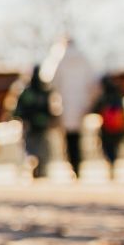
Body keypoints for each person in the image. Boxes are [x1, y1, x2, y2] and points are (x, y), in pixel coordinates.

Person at [42, 35, 98, 178]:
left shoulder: (57, 58)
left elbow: (50, 82)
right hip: (81, 103)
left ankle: (72, 164)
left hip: (64, 103)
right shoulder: (84, 58)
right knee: (78, 136)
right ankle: (78, 163)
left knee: (68, 137)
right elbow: (92, 82)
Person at [10, 65, 54, 178]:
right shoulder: (44, 91)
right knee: (41, 147)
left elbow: (18, 109)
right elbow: (49, 108)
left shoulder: (26, 91)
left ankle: (33, 163)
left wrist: (20, 118)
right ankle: (39, 166)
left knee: (30, 147)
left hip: (30, 124)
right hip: (41, 124)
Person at [95, 74, 124, 178]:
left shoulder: (104, 96)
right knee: (115, 146)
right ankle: (113, 163)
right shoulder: (118, 95)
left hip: (107, 128)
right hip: (118, 127)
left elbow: (96, 108)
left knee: (107, 147)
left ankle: (111, 163)